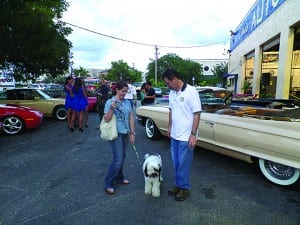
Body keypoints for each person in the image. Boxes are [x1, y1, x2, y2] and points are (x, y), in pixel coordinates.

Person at [162, 68, 202, 201]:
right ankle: (179, 185)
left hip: (186, 137)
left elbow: (197, 114)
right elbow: (171, 111)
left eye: (168, 83)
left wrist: (193, 134)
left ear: (174, 79)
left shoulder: (191, 92)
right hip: (174, 135)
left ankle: (184, 188)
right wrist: (169, 128)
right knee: (176, 163)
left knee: (183, 164)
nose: (167, 85)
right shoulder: (172, 92)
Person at [103, 80, 135, 195]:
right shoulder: (109, 102)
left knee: (123, 156)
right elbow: (106, 119)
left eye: (126, 92)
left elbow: (131, 118)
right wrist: (111, 109)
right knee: (117, 160)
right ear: (116, 89)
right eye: (122, 91)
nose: (124, 94)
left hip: (126, 133)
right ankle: (108, 183)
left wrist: (132, 133)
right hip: (115, 133)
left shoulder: (127, 102)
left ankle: (120, 177)